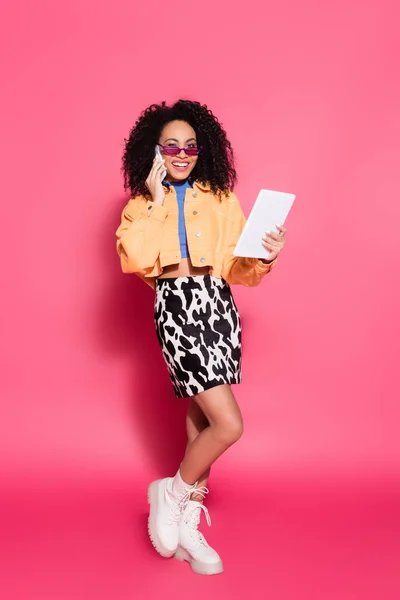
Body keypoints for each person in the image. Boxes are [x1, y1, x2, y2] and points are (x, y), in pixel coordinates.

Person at [116, 99, 286, 575]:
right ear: (154, 149)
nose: (182, 152)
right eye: (171, 144)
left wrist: (265, 255)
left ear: (201, 149)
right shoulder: (140, 205)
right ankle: (171, 493)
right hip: (176, 307)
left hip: (218, 306)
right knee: (228, 425)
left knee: (201, 418)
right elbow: (134, 259)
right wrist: (152, 200)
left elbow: (239, 271)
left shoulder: (220, 198)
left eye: (191, 145)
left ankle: (186, 522)